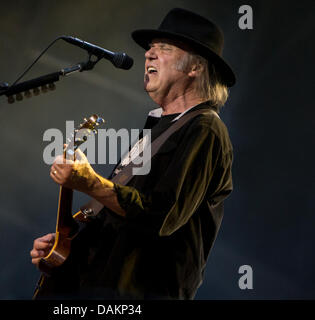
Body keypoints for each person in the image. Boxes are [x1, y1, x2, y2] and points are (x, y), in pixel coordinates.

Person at [31, 8, 235, 299]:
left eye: (163, 48)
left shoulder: (206, 129)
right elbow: (124, 217)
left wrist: (91, 182)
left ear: (196, 67)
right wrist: (65, 249)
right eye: (150, 48)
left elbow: (161, 216)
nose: (149, 54)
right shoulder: (159, 128)